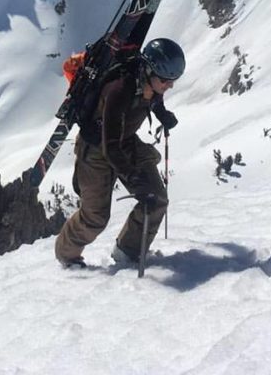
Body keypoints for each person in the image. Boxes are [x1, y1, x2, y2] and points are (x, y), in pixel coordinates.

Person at [55, 38, 185, 268]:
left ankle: (127, 252)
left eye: (173, 81)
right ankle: (67, 256)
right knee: (95, 218)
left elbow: (154, 99)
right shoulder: (119, 90)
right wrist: (132, 176)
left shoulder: (151, 84)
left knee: (156, 199)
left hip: (124, 141)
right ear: (148, 70)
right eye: (165, 80)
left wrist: (162, 113)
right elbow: (110, 146)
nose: (169, 85)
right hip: (96, 148)